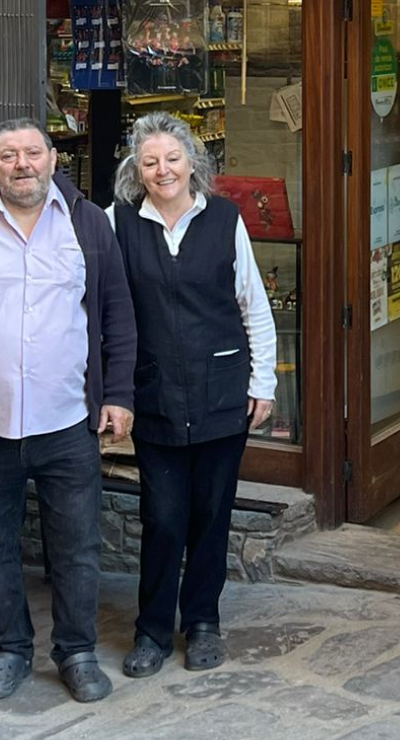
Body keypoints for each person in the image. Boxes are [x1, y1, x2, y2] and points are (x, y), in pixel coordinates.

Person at [0, 116, 136, 704]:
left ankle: (77, 651)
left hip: (66, 422)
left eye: (32, 153)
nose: (22, 165)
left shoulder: (87, 225)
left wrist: (117, 396)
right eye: (8, 155)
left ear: (53, 160)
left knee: (78, 547)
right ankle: (10, 650)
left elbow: (117, 314)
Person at [104, 112, 277, 679]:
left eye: (172, 159)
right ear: (137, 168)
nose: (162, 170)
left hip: (221, 393)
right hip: (155, 394)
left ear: (192, 163)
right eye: (150, 161)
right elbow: (100, 306)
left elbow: (253, 305)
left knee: (211, 514)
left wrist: (263, 383)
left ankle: (202, 622)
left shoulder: (224, 219)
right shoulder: (118, 224)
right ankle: (152, 631)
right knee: (162, 517)